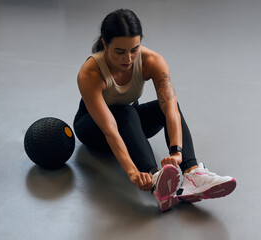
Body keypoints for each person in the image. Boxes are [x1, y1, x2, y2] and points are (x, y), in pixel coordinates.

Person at [73, 9, 236, 212]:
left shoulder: (152, 61)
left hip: (130, 125)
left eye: (134, 49)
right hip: (92, 129)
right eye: (120, 51)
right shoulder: (90, 73)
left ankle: (193, 175)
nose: (129, 59)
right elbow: (110, 130)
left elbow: (170, 110)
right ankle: (155, 178)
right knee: (125, 111)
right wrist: (133, 172)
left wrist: (176, 151)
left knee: (164, 106)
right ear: (105, 44)